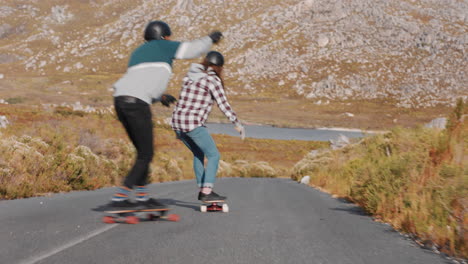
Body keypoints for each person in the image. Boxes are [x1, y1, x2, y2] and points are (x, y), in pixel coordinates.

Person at [109, 21, 223, 210]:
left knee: (143, 154)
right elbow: (191, 49)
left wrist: (159, 97)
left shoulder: (138, 52)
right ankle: (119, 199)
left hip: (121, 101)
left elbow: (137, 83)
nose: (170, 39)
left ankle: (143, 199)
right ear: (163, 36)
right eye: (169, 37)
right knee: (146, 154)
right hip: (137, 105)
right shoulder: (162, 45)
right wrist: (210, 39)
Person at [171, 51, 245, 202]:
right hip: (192, 124)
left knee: (198, 153)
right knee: (214, 155)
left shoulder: (189, 76)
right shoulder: (212, 80)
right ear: (218, 67)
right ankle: (206, 191)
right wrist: (236, 123)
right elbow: (223, 104)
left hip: (177, 123)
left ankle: (202, 189)